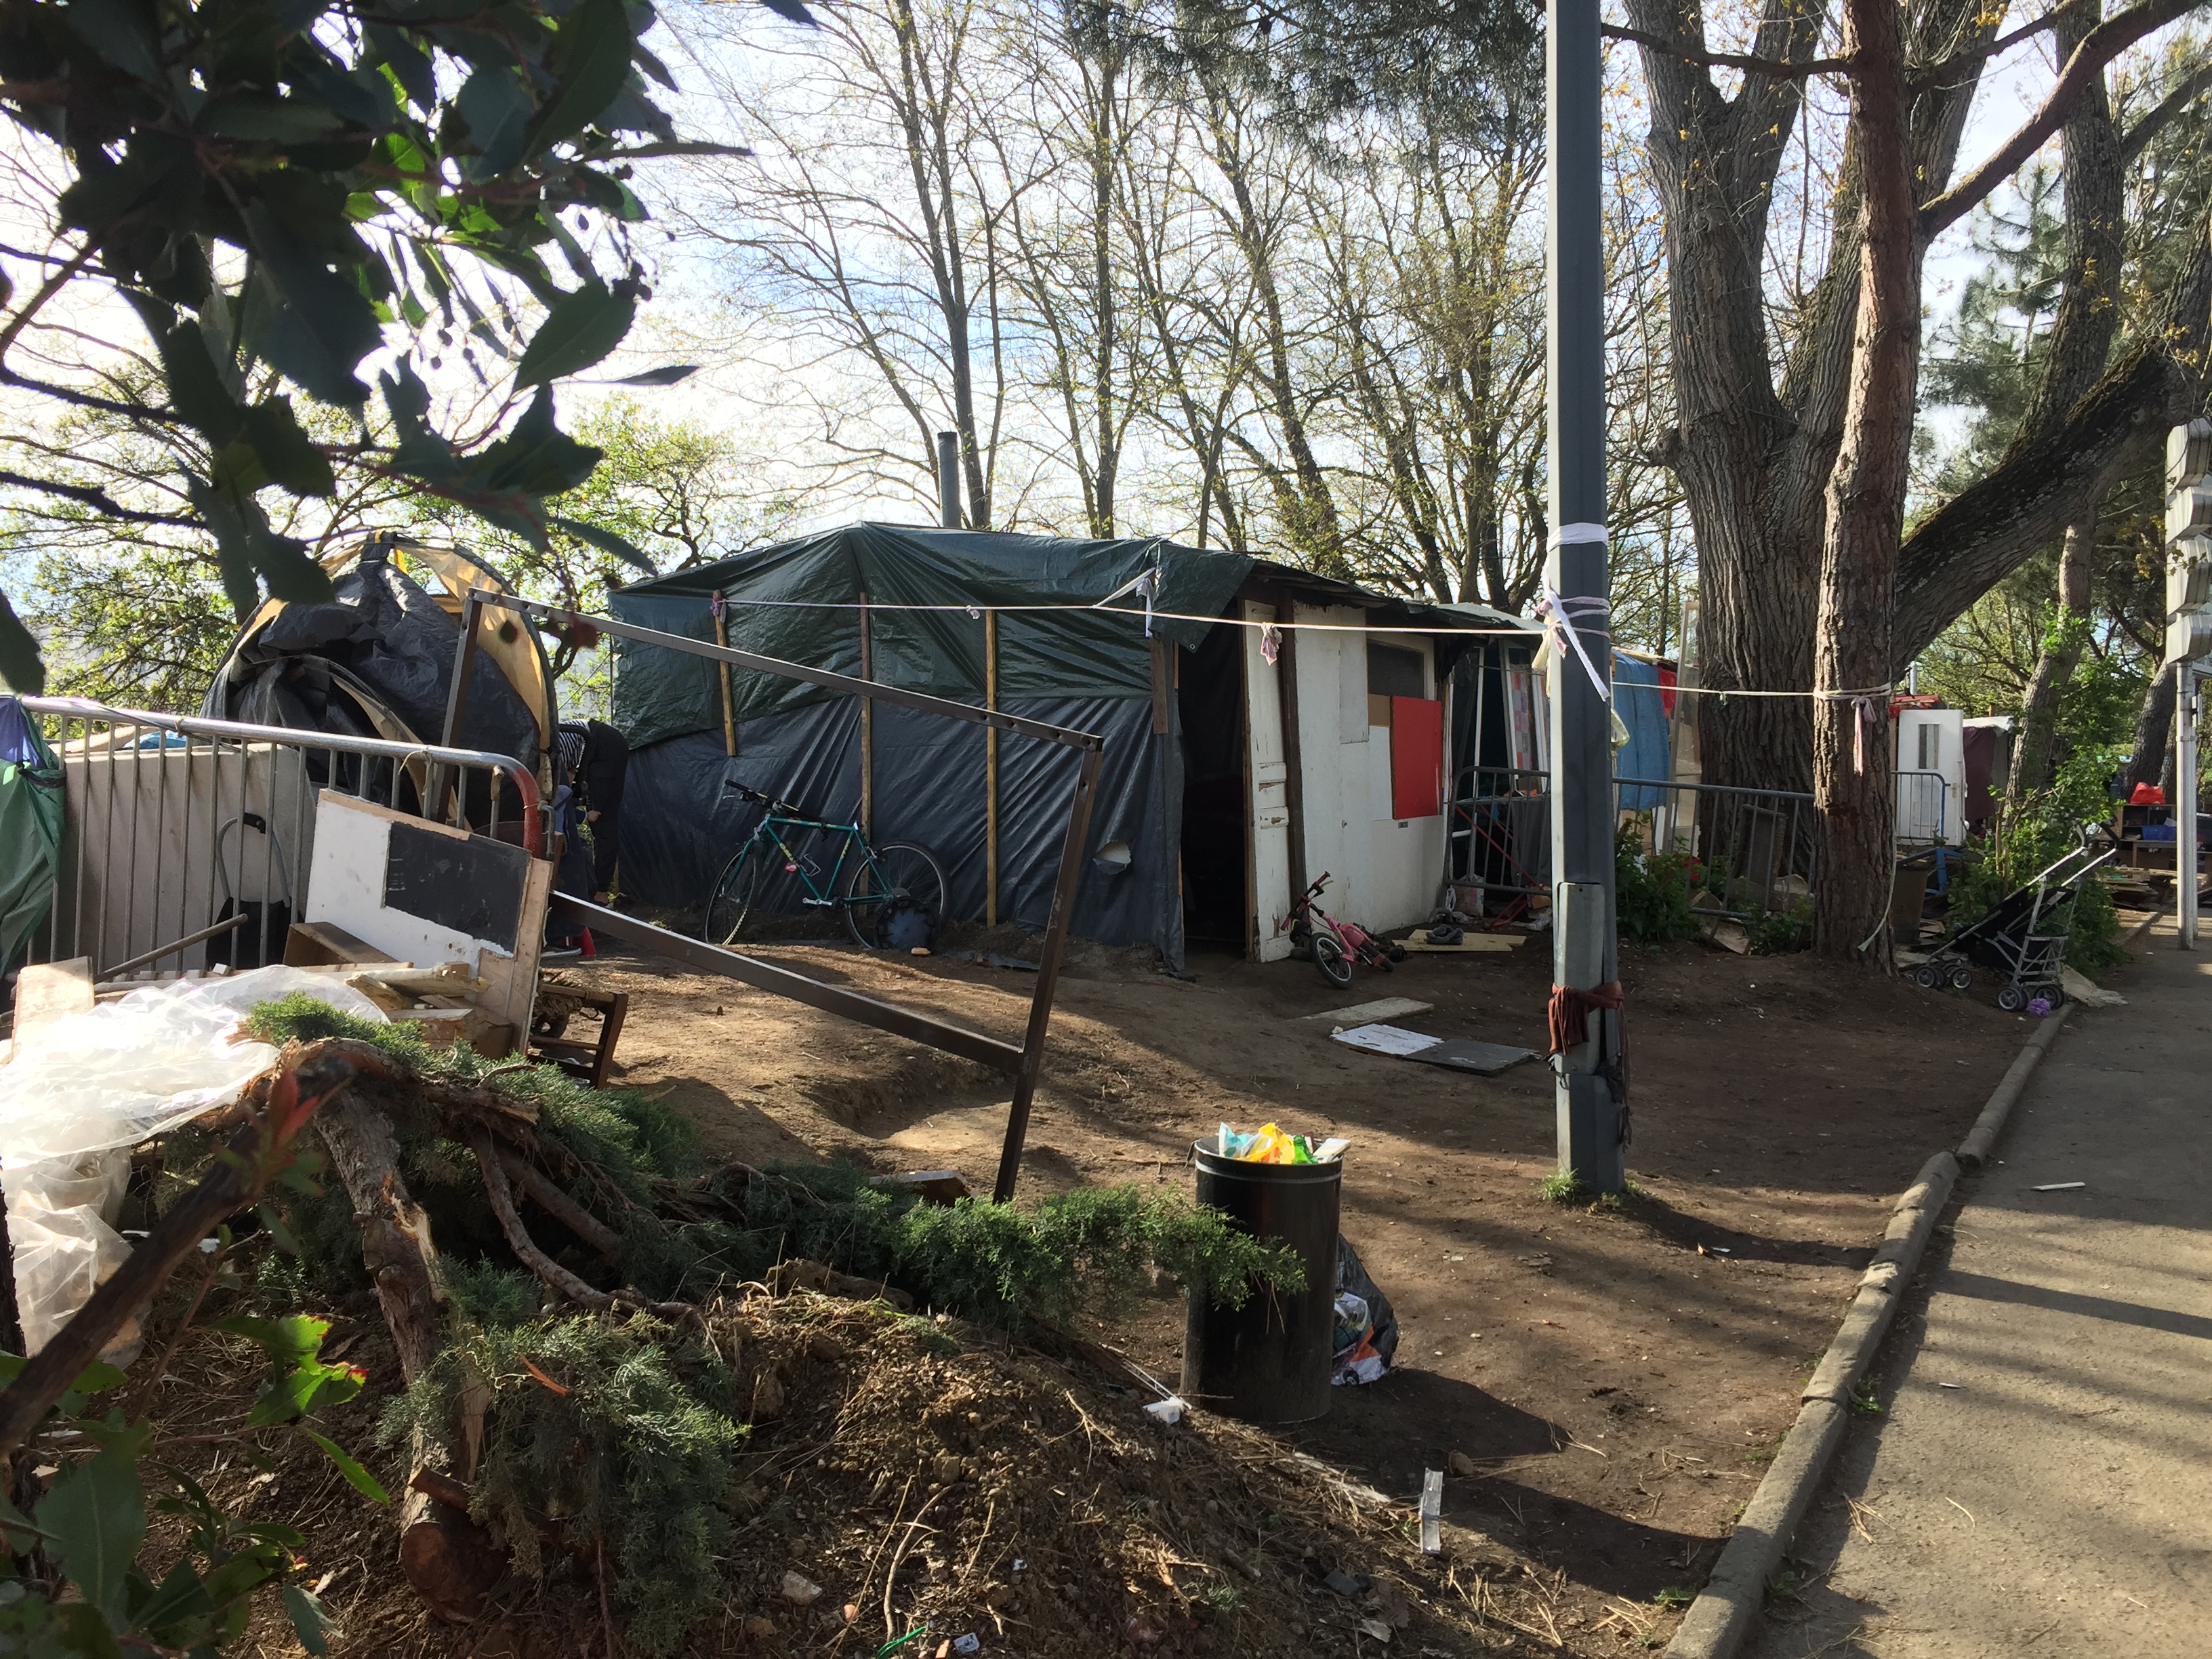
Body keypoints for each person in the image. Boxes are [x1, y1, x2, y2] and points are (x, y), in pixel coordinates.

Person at [558, 718, 630, 901]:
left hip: (604, 743)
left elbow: (564, 786)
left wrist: (583, 814)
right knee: (585, 812)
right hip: (589, 745)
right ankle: (590, 888)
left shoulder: (548, 752)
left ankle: (600, 892)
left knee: (602, 818)